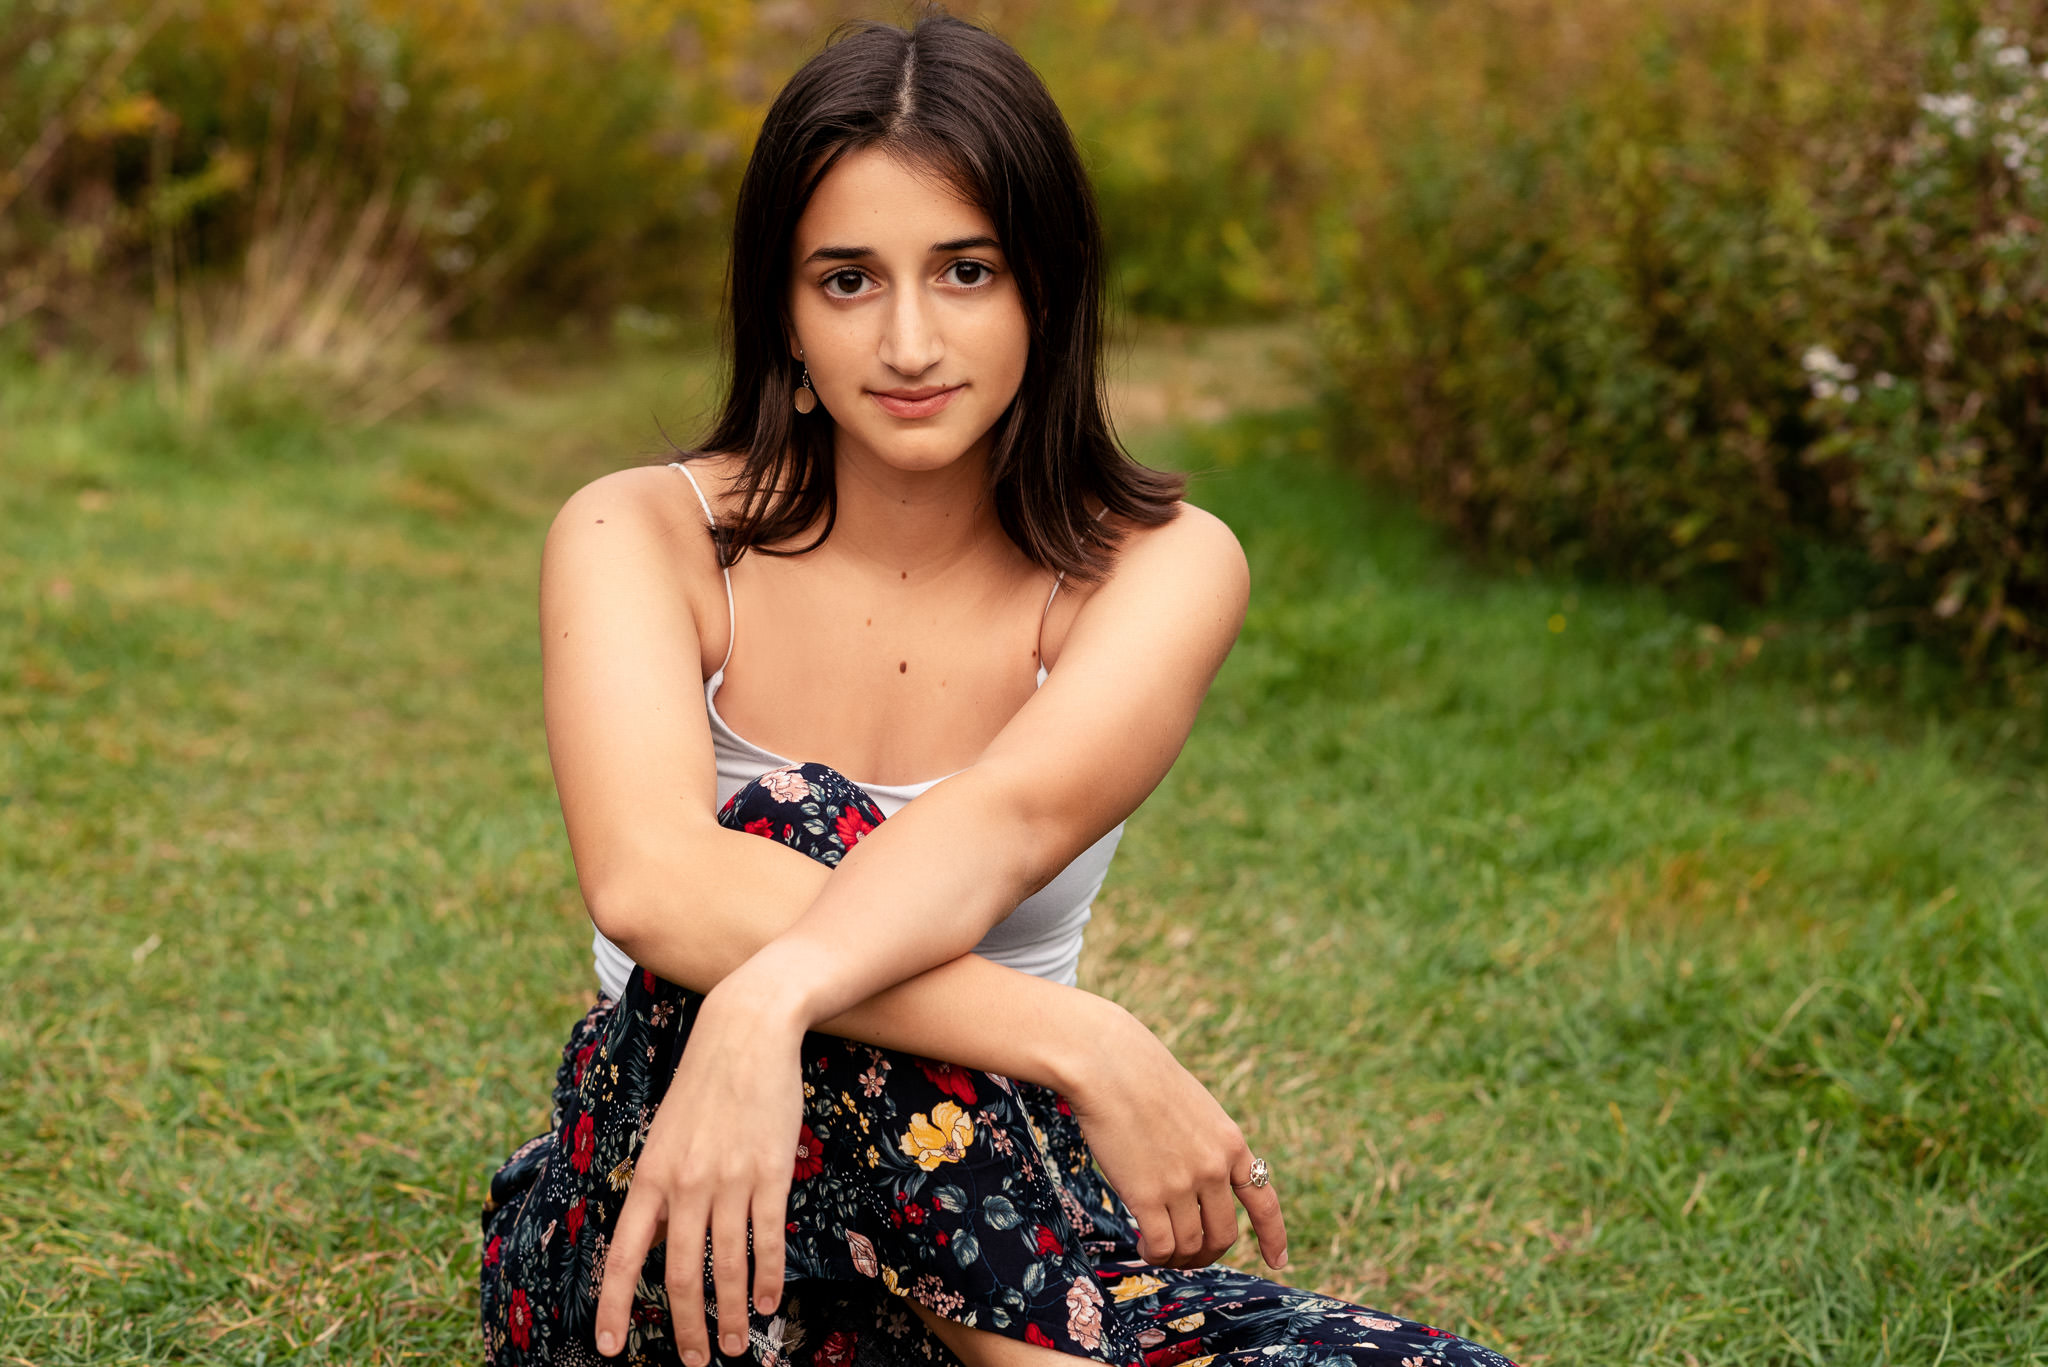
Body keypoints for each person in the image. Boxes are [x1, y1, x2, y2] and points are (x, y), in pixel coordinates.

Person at [478, 14, 1516, 1367]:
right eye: (848, 280)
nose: (910, 339)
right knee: (799, 829)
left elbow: (1006, 825)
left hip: (1010, 1232)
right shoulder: (639, 532)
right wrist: (1076, 1037)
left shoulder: (1159, 567)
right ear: (782, 315)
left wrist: (774, 987)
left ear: (1046, 291)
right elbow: (655, 883)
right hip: (682, 1206)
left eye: (965, 270)